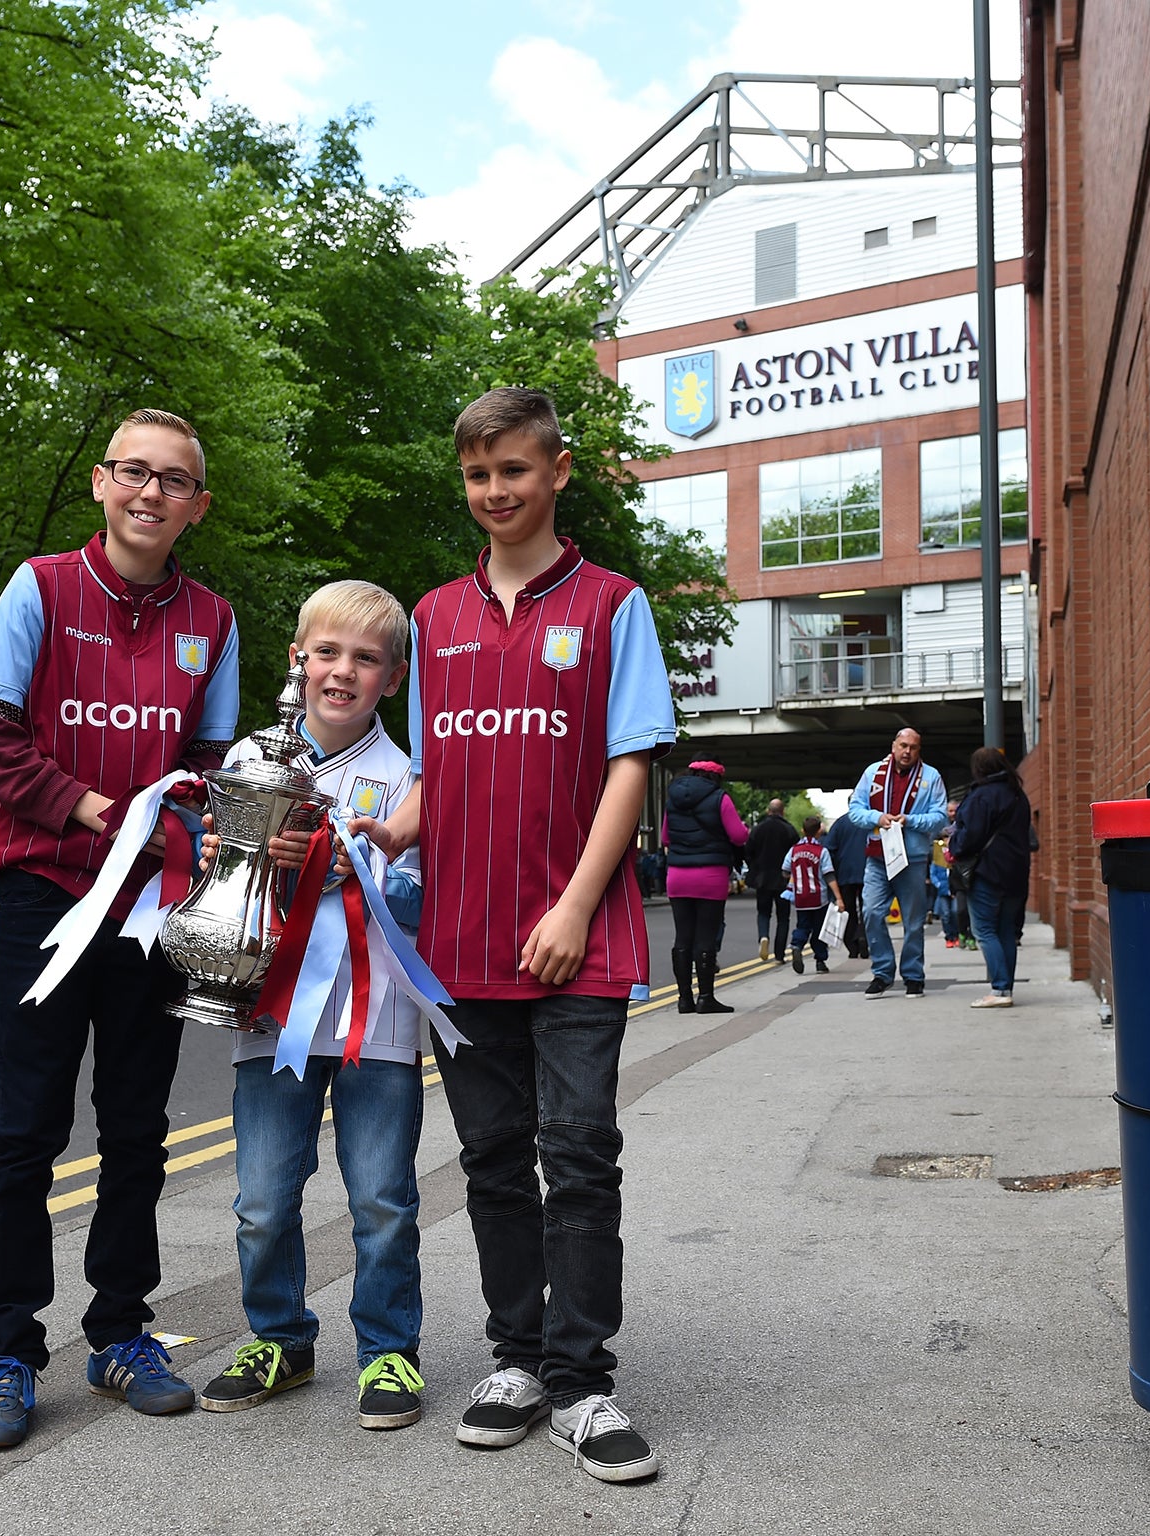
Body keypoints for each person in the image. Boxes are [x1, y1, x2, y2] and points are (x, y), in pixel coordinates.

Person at [354, 387, 673, 1484]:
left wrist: (578, 905)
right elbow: (439, 770)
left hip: (574, 940)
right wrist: (385, 828)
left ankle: (585, 1385)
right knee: (491, 1160)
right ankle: (518, 1360)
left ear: (557, 472)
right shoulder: (431, 618)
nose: (496, 492)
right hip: (462, 938)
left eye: (515, 472)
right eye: (479, 476)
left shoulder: (614, 604)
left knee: (577, 1158)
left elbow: (630, 762)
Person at [0, 409, 241, 1450]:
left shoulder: (212, 616)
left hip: (151, 911)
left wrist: (201, 838)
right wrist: (95, 814)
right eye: (133, 472)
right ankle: (6, 1355)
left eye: (173, 481)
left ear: (196, 505)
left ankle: (121, 1332)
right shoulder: (39, 587)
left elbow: (209, 772)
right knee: (24, 1130)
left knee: (136, 1128)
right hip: (45, 893)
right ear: (99, 483)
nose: (150, 493)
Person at [193, 580, 435, 1431]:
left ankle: (389, 1352)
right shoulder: (250, 765)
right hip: (271, 1018)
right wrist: (229, 858)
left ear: (394, 677)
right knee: (262, 1198)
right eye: (328, 652)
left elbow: (421, 898)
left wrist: (362, 873)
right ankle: (280, 1339)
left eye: (366, 658)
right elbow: (212, 889)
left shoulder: (410, 778)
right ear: (298, 659)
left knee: (382, 1199)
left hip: (380, 1025)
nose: (344, 671)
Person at [845, 728, 948, 998]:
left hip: (911, 860)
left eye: (913, 747)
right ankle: (882, 972)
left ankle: (913, 975)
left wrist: (910, 820)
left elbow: (940, 816)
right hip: (878, 859)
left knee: (913, 922)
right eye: (903, 745)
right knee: (871, 913)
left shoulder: (931, 777)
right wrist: (877, 818)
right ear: (893, 746)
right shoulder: (872, 773)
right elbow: (854, 810)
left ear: (919, 750)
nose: (907, 752)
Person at [950, 746, 1036, 1009]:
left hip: (987, 871)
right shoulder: (1018, 795)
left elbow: (969, 837)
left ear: (979, 769)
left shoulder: (981, 796)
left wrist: (953, 845)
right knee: (1006, 931)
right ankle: (1005, 987)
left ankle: (999, 990)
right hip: (1016, 871)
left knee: (984, 930)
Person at [661, 759, 745, 1013]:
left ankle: (684, 999)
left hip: (677, 875)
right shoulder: (721, 798)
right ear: (716, 777)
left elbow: (665, 837)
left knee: (682, 937)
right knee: (706, 937)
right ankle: (705, 998)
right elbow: (738, 836)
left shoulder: (672, 798)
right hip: (711, 876)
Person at [781, 814, 843, 974]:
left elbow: (785, 871)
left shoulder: (793, 850)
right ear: (819, 832)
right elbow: (829, 875)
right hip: (818, 896)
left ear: (802, 830)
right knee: (819, 929)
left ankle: (797, 945)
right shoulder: (822, 852)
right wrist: (838, 898)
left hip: (801, 897)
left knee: (802, 925)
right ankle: (820, 961)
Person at [743, 797, 798, 962]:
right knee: (783, 918)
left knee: (763, 913)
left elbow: (748, 852)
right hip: (783, 879)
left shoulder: (758, 829)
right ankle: (779, 954)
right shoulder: (789, 830)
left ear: (769, 811)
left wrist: (754, 867)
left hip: (762, 879)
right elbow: (795, 854)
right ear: (782, 812)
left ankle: (763, 936)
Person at [821, 809, 870, 959]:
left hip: (845, 873)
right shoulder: (870, 821)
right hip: (868, 871)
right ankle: (863, 936)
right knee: (867, 909)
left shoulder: (840, 823)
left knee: (848, 910)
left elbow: (829, 848)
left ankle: (852, 945)